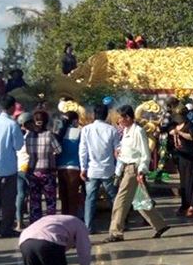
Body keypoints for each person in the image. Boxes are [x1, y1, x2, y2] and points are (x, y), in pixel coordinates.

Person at [107, 104, 169, 241]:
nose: (119, 121)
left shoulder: (138, 131)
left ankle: (116, 232)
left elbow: (145, 153)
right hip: (125, 168)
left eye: (121, 118)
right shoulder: (126, 131)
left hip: (133, 169)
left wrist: (142, 171)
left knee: (120, 201)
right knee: (139, 200)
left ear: (128, 117)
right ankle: (160, 224)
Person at [16, 214, 95, 265]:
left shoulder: (55, 220)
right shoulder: (80, 225)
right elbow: (84, 250)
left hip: (25, 240)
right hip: (48, 240)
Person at [0, 96, 25, 237]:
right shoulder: (12, 124)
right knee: (8, 200)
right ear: (12, 107)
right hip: (8, 166)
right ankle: (6, 228)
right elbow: (19, 145)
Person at [79, 103, 120, 233]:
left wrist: (83, 168)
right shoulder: (112, 130)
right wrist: (119, 168)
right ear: (107, 115)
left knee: (90, 199)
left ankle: (88, 226)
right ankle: (116, 225)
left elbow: (83, 151)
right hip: (108, 169)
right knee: (114, 198)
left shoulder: (86, 129)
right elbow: (118, 151)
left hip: (92, 169)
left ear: (93, 115)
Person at [24, 109, 61, 223]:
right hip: (47, 171)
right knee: (50, 200)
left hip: (32, 170)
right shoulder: (49, 135)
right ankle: (50, 223)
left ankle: (35, 223)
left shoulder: (29, 135)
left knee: (35, 200)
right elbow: (59, 150)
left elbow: (27, 151)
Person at [168, 105, 193, 216]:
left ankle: (192, 205)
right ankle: (184, 204)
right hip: (181, 156)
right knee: (183, 182)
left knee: (191, 180)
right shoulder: (175, 125)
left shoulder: (189, 125)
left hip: (190, 156)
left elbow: (192, 136)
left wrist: (180, 133)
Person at [55, 110, 83, 217]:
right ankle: (73, 220)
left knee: (63, 197)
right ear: (75, 120)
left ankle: (64, 219)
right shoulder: (78, 132)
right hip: (74, 167)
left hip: (60, 168)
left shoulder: (59, 133)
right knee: (73, 198)